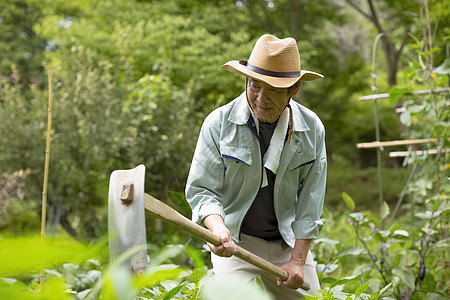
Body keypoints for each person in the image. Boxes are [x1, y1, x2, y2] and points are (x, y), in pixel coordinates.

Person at [185, 34, 327, 299]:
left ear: (293, 89)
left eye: (272, 89)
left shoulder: (312, 129)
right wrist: (217, 229)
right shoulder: (218, 124)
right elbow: (203, 191)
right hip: (235, 240)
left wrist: (297, 260)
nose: (261, 97)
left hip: (288, 243)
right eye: (255, 85)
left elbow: (311, 200)